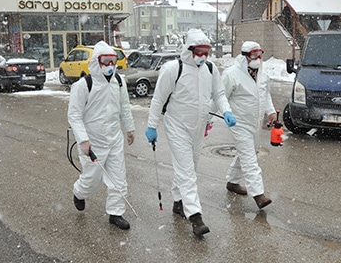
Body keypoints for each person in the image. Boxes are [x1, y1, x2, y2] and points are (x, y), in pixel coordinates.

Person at [145, 28, 236, 237]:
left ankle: (178, 202)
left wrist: (227, 112)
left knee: (189, 168)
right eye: (199, 52)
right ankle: (195, 216)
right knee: (187, 172)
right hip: (177, 127)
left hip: (198, 128)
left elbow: (219, 94)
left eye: (206, 52)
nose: (203, 57)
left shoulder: (210, 69)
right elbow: (158, 99)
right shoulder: (172, 69)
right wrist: (152, 125)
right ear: (189, 49)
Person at [68, 41, 135, 230]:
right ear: (97, 62)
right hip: (93, 142)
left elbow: (124, 107)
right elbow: (74, 115)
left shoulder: (118, 82)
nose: (110, 66)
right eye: (105, 61)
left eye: (113, 61)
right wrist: (83, 140)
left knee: (118, 179)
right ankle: (79, 192)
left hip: (114, 139)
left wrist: (129, 129)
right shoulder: (83, 85)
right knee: (92, 181)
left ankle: (116, 213)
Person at [221, 41, 276, 209]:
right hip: (238, 122)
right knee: (250, 158)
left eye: (260, 54)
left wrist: (271, 112)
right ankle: (258, 194)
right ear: (245, 55)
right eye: (253, 55)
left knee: (248, 152)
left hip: (255, 122)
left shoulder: (263, 75)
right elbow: (219, 96)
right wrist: (208, 119)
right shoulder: (231, 74)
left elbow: (265, 96)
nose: (258, 58)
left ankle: (232, 182)